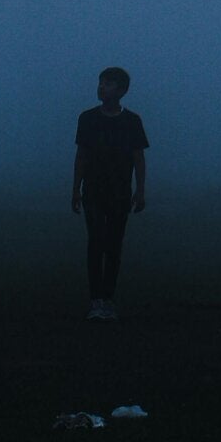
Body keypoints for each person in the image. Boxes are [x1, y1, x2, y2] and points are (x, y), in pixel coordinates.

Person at [71, 66, 148, 320]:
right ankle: (96, 300)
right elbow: (81, 155)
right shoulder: (87, 118)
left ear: (122, 90)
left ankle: (108, 299)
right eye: (101, 82)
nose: (101, 87)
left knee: (114, 245)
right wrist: (76, 188)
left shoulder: (132, 121)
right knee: (96, 242)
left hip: (120, 192)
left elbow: (138, 158)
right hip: (93, 190)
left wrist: (140, 190)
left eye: (108, 83)